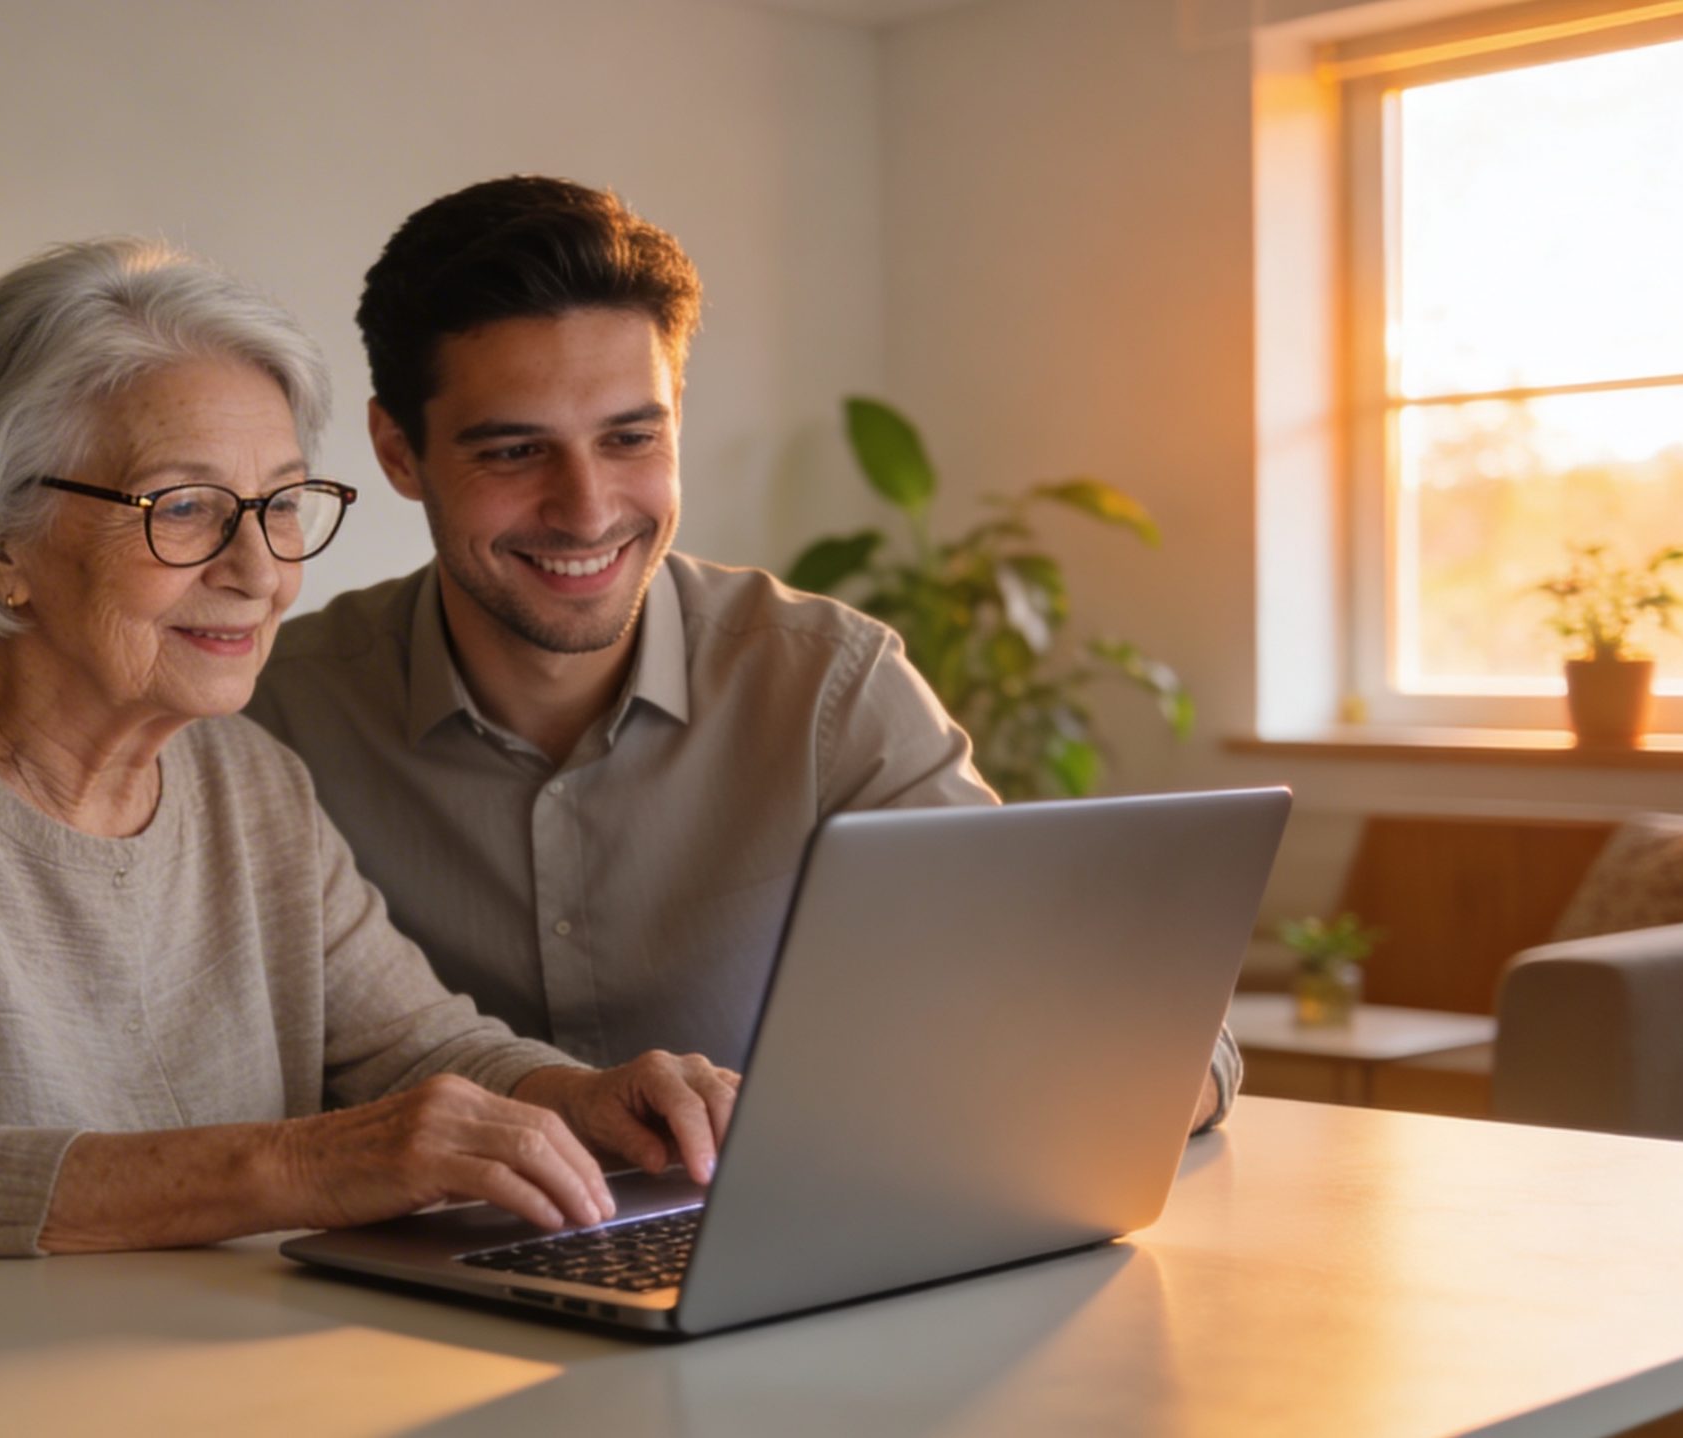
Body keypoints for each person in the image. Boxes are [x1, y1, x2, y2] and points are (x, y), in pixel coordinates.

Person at [0, 238, 736, 1297]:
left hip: (153, 1365)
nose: (259, 571)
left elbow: (420, 1049)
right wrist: (302, 1169)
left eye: (282, 504)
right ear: (0, 542)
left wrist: (593, 1101)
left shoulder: (246, 778)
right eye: (186, 508)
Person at [242, 176, 1239, 1125]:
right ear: (397, 452)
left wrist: (1110, 1076)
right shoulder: (269, 716)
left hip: (762, 1263)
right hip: (383, 1280)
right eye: (512, 451)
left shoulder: (829, 687)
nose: (586, 509)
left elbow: (1143, 1032)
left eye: (632, 439)